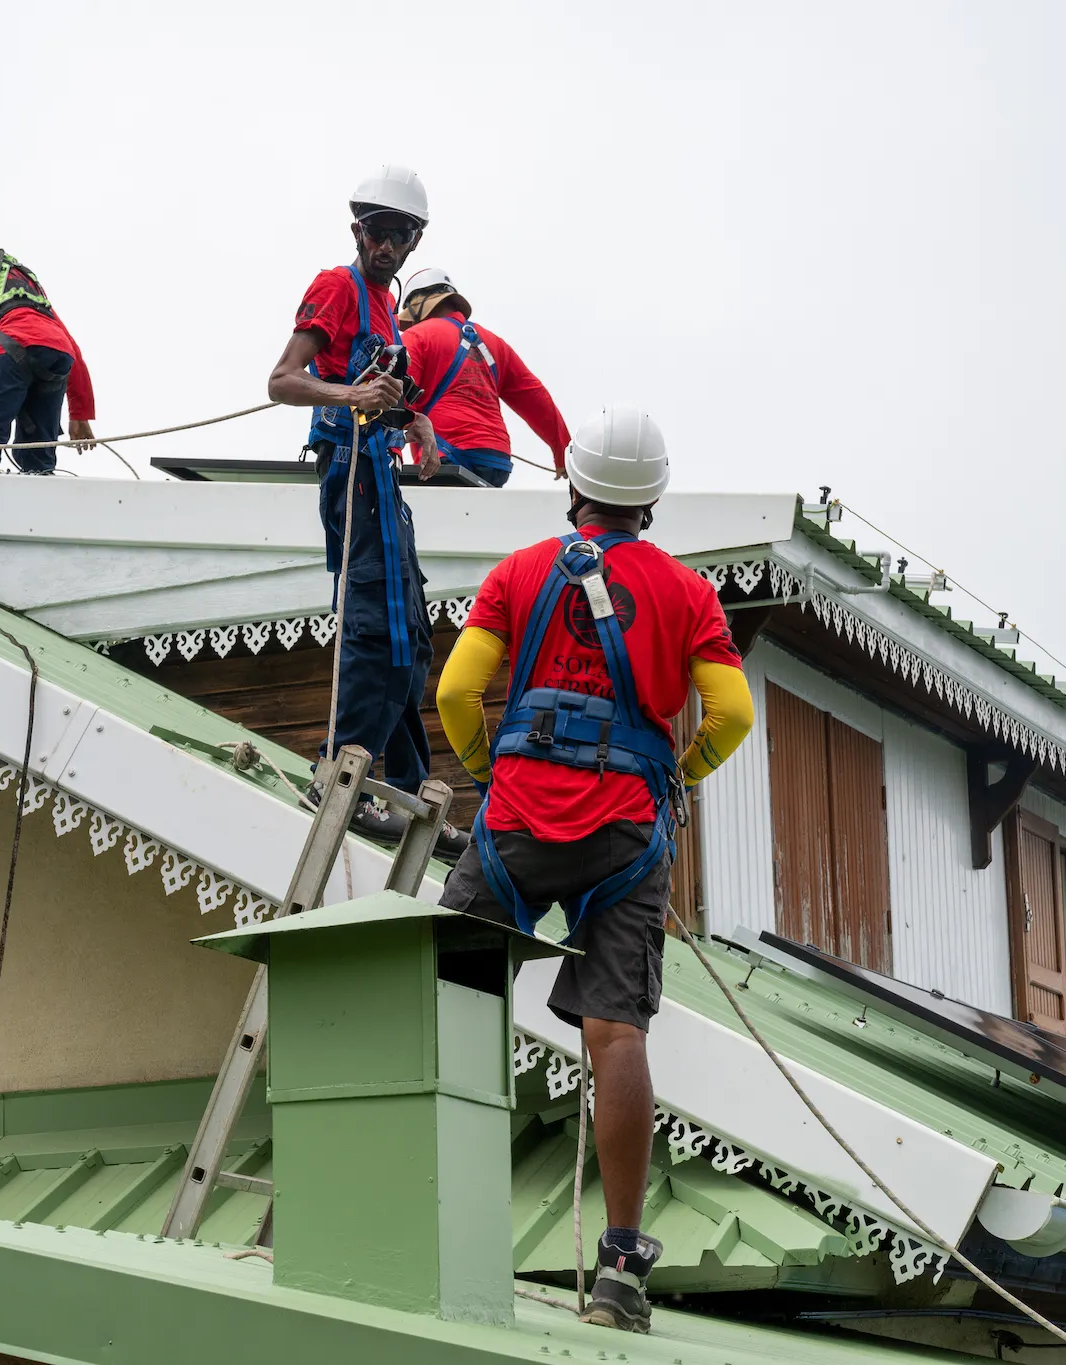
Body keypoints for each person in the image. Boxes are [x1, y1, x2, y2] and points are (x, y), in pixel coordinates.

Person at [432, 405, 754, 1333]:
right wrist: (679, 776)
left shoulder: (522, 571)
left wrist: (491, 769)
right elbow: (728, 713)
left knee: (453, 993)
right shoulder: (687, 593)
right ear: (651, 501)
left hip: (516, 819)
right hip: (626, 830)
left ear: (573, 485)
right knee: (616, 1037)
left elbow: (457, 690)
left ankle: (423, 1200)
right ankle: (618, 1271)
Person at [265, 167, 467, 854]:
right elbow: (282, 380)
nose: (386, 245)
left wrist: (414, 418)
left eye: (399, 234)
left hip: (380, 474)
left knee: (410, 633)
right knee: (376, 626)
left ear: (415, 241)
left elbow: (381, 390)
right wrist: (351, 398)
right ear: (358, 232)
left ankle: (408, 792)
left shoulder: (386, 306)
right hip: (349, 476)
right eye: (376, 231)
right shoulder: (337, 286)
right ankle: (338, 773)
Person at [396, 267, 570, 487]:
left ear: (417, 305)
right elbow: (535, 397)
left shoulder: (417, 337)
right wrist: (562, 450)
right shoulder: (495, 344)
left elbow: (396, 397)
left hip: (443, 459)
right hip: (496, 461)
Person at [0, 233, 96, 474]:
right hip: (57, 355)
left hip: (10, 343)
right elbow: (70, 345)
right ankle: (39, 498)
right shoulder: (21, 278)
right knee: (36, 449)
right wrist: (80, 413)